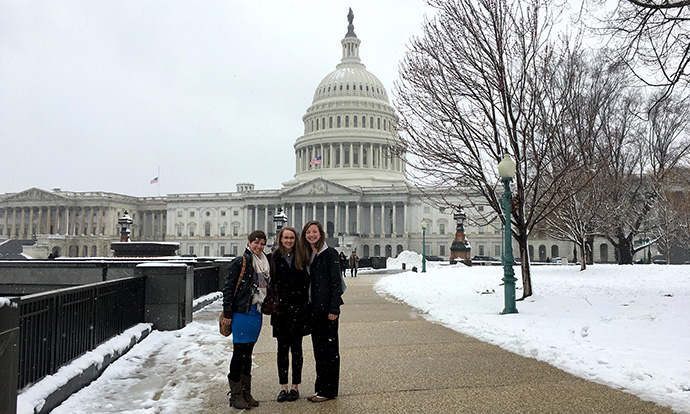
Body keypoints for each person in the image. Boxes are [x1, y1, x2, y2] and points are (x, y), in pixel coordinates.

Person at [222, 230, 270, 409]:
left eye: (262, 244)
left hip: (256, 313)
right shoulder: (240, 262)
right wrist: (228, 313)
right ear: (249, 242)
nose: (259, 246)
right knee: (239, 353)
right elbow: (228, 289)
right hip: (241, 313)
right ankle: (235, 395)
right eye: (256, 243)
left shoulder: (265, 263)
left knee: (248, 354)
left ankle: (245, 392)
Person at [299, 220, 344, 402]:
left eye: (314, 232)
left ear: (321, 233)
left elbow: (336, 284)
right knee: (319, 351)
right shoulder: (306, 254)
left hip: (327, 311)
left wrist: (333, 308)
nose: (311, 235)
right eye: (308, 232)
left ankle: (329, 390)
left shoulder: (330, 254)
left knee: (330, 351)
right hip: (313, 310)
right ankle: (321, 389)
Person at [269, 227, 311, 403]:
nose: (288, 240)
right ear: (280, 239)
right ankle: (283, 387)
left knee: (297, 351)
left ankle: (295, 386)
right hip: (281, 311)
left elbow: (307, 282)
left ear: (296, 239)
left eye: (291, 238)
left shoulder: (302, 258)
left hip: (298, 310)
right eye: (285, 237)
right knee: (281, 351)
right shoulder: (273, 258)